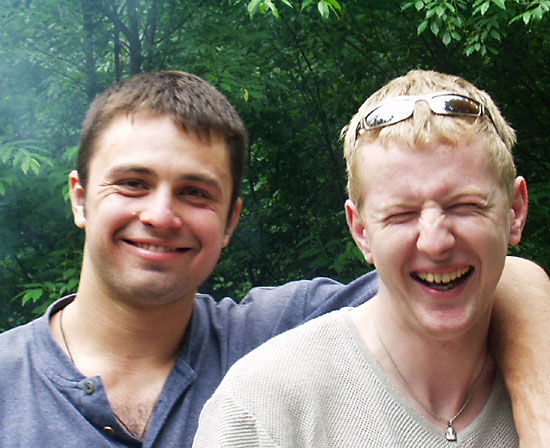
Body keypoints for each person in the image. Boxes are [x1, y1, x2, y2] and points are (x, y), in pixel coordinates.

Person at [0, 71, 547, 448]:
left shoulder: (272, 329)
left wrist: (536, 408)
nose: (161, 215)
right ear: (78, 197)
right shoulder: (8, 382)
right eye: (132, 183)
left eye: (195, 193)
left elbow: (485, 278)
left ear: (231, 220)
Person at [192, 70, 534, 447]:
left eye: (466, 206)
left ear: (515, 211)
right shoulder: (263, 411)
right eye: (401, 214)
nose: (435, 242)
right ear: (360, 231)